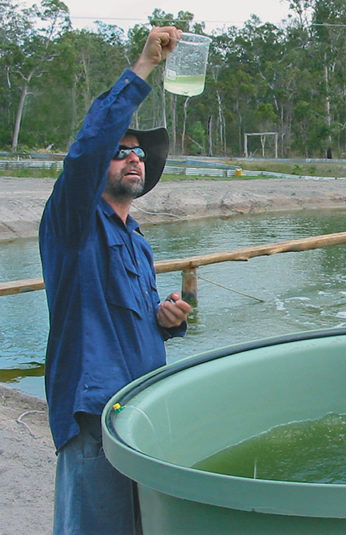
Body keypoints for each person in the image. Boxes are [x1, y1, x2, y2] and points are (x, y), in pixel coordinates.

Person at [39, 26, 191, 534]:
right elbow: (84, 153)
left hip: (144, 411)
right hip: (93, 414)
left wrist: (166, 323)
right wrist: (144, 66)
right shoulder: (72, 220)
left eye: (141, 154)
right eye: (122, 150)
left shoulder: (138, 239)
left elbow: (130, 321)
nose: (134, 157)